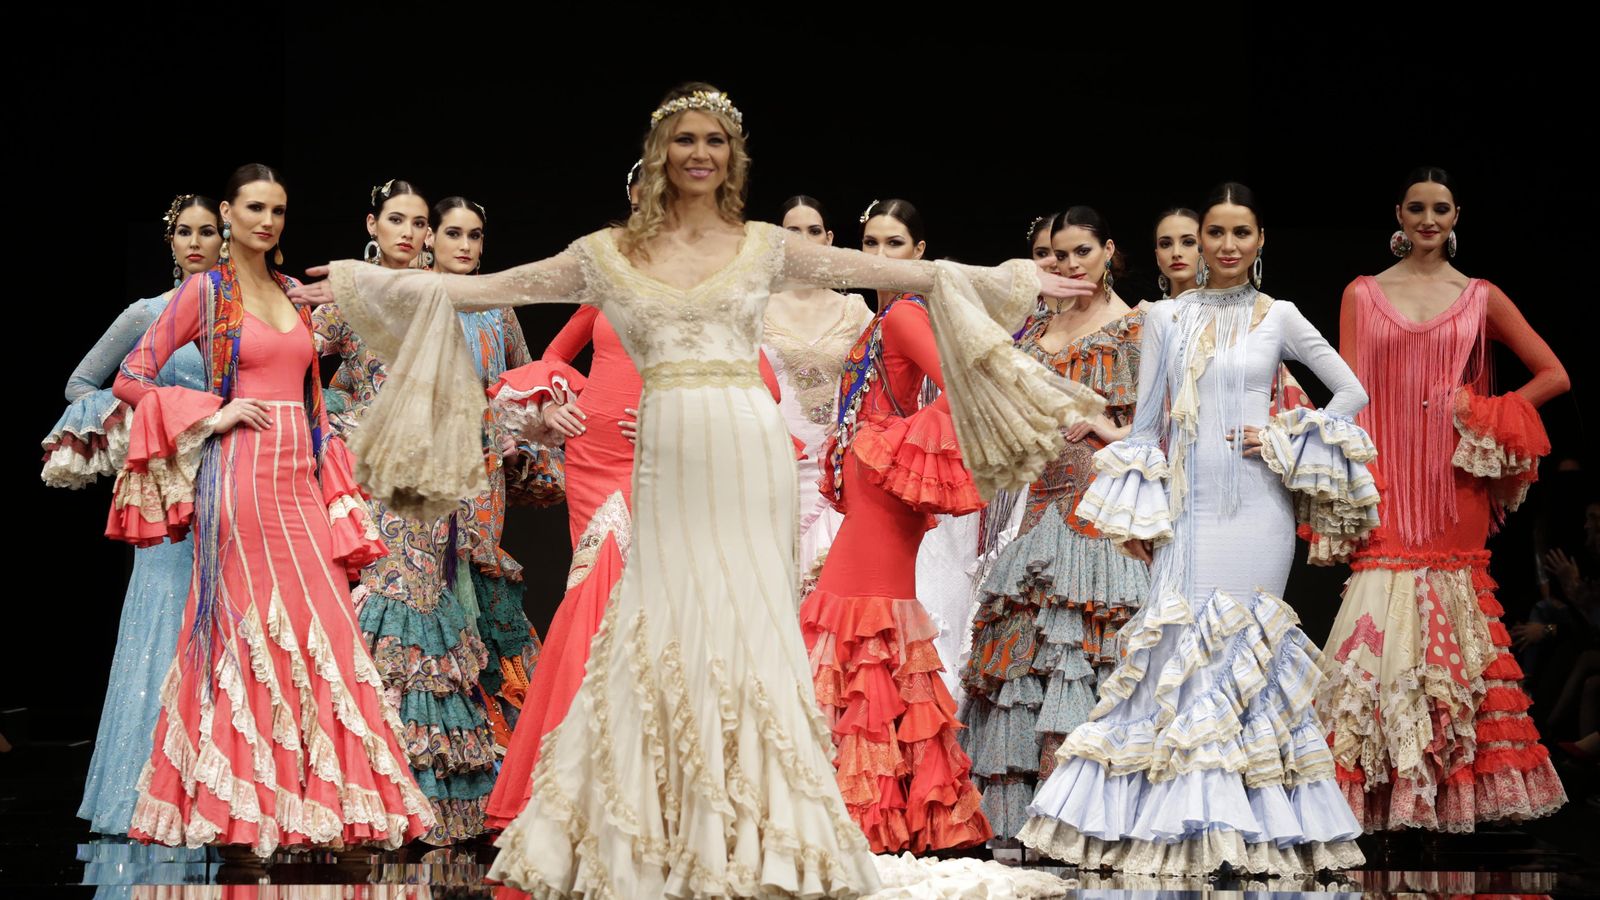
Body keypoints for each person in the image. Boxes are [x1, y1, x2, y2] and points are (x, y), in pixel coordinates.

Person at [289, 82, 1102, 897]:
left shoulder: (762, 246)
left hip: (746, 446)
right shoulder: (609, 253)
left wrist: (1016, 278)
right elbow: (498, 287)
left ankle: (756, 825)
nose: (700, 153)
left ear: (732, 154)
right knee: (659, 612)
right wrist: (366, 285)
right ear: (659, 153)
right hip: (667, 441)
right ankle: (656, 821)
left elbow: (903, 272)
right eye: (684, 139)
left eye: (715, 139)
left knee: (748, 617)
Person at [1020, 183, 1373, 875]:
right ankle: (1176, 827)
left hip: (1259, 507)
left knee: (1246, 652)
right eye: (1216, 232)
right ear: (1202, 239)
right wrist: (1135, 509)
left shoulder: (1281, 316)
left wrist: (1279, 436)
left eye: (1241, 231)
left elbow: (1351, 393)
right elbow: (1148, 423)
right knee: (1177, 648)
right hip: (1189, 508)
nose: (1227, 245)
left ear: (1261, 238)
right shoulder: (1165, 317)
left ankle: (1251, 828)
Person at [112, 163, 430, 858]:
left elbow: (317, 386)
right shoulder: (208, 290)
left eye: (278, 210)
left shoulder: (291, 293)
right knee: (251, 627)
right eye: (255, 208)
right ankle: (247, 807)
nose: (267, 221)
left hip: (300, 474)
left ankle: (320, 803)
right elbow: (132, 377)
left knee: (325, 622)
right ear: (228, 212)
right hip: (243, 474)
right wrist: (213, 410)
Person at [1319, 167, 1569, 832]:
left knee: (1452, 613)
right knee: (1382, 613)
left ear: (1456, 217)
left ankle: (1456, 785)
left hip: (1452, 485)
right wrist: (1348, 476)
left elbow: (1554, 374)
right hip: (1386, 478)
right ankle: (1379, 788)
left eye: (1441, 209)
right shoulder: (1361, 294)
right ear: (1397, 215)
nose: (1428, 219)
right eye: (1417, 208)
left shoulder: (1478, 296)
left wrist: (1486, 413)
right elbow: (1349, 396)